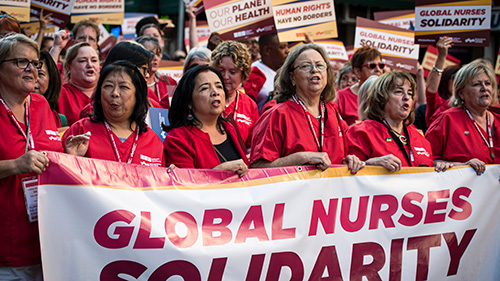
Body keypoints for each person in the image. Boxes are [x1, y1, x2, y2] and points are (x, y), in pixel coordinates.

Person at [0, 34, 62, 280]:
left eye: (35, 63)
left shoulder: (41, 104)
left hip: (46, 244)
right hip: (6, 249)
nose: (31, 69)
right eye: (20, 62)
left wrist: (69, 154)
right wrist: (16, 165)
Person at [250, 44, 364, 173]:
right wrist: (300, 158)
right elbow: (257, 169)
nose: (314, 70)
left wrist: (348, 160)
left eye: (320, 65)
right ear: (292, 77)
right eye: (305, 66)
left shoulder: (333, 111)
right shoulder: (276, 115)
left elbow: (343, 155)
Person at [63, 61, 165, 167]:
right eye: (108, 86)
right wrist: (70, 160)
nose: (115, 93)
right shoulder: (80, 131)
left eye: (124, 87)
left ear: (138, 95)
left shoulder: (153, 141)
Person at [163, 65, 249, 176]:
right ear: (189, 102)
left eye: (219, 86)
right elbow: (183, 186)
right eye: (205, 88)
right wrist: (219, 171)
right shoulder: (178, 139)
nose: (215, 92)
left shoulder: (229, 127)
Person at [346, 71, 434, 172]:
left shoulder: (420, 138)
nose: (407, 97)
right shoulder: (360, 132)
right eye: (398, 92)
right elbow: (346, 174)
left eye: (410, 93)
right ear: (381, 98)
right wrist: (370, 164)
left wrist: (441, 164)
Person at [425, 59, 500, 175]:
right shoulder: (447, 120)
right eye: (476, 84)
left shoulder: (498, 119)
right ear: (461, 93)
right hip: (462, 191)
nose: (484, 88)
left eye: (488, 83)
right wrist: (461, 167)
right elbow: (425, 162)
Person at [210, 41, 259, 147]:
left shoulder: (250, 105)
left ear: (243, 74)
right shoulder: (204, 99)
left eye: (232, 72)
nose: (225, 76)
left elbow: (252, 145)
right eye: (221, 70)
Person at [336, 46, 384, 125]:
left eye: (381, 65)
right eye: (372, 66)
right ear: (357, 71)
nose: (378, 70)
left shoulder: (388, 97)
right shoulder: (341, 96)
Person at [57, 42, 100, 125]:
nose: (90, 65)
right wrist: (56, 47)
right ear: (69, 67)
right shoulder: (60, 93)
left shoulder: (107, 92)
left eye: (94, 60)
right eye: (83, 61)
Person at [249, 33, 289, 109]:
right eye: (282, 47)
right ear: (267, 50)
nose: (287, 51)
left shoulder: (288, 70)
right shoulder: (253, 73)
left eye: (287, 46)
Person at [136, 36, 177, 108]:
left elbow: (175, 108)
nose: (155, 58)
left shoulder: (170, 82)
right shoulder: (133, 84)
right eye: (151, 54)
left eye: (158, 54)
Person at [35, 50, 66, 127]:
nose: (33, 78)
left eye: (40, 74)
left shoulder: (59, 119)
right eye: (27, 72)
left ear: (51, 79)